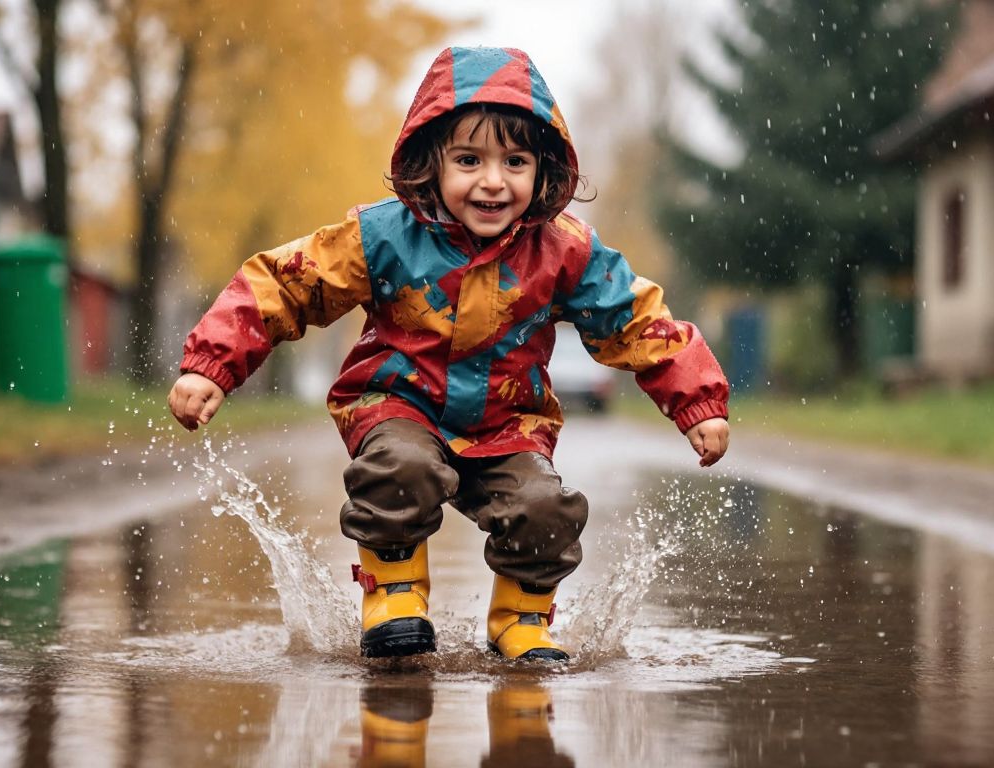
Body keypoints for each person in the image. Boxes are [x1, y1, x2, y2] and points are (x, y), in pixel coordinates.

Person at [168, 46, 730, 661]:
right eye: (469, 160)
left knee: (545, 508)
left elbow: (634, 317)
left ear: (543, 171)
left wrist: (697, 401)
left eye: (514, 161)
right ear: (430, 163)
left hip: (508, 424)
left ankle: (520, 619)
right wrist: (212, 364)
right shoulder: (383, 236)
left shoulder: (564, 250)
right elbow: (286, 283)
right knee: (400, 470)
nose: (493, 181)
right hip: (398, 405)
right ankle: (395, 593)